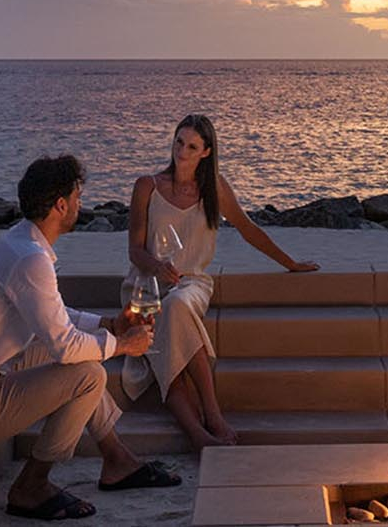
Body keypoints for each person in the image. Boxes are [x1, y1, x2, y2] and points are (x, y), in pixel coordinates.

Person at [0, 154, 180, 521]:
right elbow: (65, 345)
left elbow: (55, 317)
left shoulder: (21, 244)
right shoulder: (30, 259)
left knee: (78, 355)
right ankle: (32, 485)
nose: (80, 204)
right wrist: (122, 345)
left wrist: (108, 324)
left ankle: (117, 460)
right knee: (88, 374)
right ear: (60, 205)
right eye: (77, 197)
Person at [124, 113, 319, 449]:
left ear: (206, 152)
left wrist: (290, 263)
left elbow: (248, 229)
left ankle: (211, 417)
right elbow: (135, 251)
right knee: (167, 338)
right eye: (179, 142)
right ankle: (201, 431)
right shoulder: (147, 186)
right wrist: (156, 267)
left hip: (192, 284)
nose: (182, 151)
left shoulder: (214, 189)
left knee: (177, 306)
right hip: (147, 287)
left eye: (192, 146)